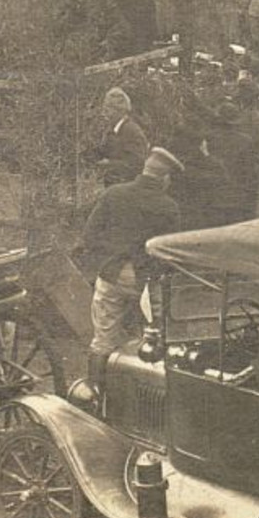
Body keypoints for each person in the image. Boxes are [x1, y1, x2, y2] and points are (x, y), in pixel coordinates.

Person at [82, 147, 183, 393]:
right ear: (164, 178)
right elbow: (170, 252)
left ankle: (94, 395)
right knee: (155, 337)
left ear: (145, 170)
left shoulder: (113, 194)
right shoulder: (168, 206)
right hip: (148, 281)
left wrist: (108, 260)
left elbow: (89, 236)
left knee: (103, 339)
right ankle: (149, 397)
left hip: (113, 274)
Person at [92, 87, 150, 187]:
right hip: (113, 186)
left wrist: (109, 164)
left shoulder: (132, 132)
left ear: (119, 111)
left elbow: (137, 165)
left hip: (128, 189)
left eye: (107, 110)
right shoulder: (112, 130)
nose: (104, 114)